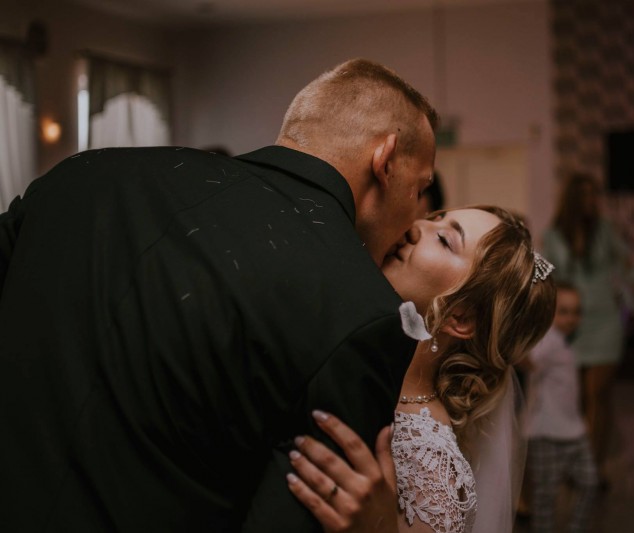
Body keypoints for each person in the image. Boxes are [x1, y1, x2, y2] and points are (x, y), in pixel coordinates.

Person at [0, 58, 438, 531]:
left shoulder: (81, 176)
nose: (414, 220)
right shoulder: (362, 312)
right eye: (420, 189)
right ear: (385, 161)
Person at [282, 206, 557, 533]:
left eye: (444, 239)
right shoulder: (355, 360)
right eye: (434, 217)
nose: (414, 227)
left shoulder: (432, 470)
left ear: (460, 318)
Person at [541, 173, 630, 489]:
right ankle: (575, 462)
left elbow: (627, 267)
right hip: (569, 324)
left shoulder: (605, 231)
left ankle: (595, 466)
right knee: (573, 398)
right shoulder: (553, 235)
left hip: (604, 320)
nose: (592, 201)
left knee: (598, 394)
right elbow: (547, 277)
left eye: (595, 194)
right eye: (585, 195)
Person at [519, 282, 597, 533]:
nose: (571, 318)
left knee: (589, 482)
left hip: (572, 429)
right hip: (546, 432)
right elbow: (527, 360)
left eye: (576, 312)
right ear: (548, 312)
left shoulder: (564, 340)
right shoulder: (547, 340)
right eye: (563, 311)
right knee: (545, 497)